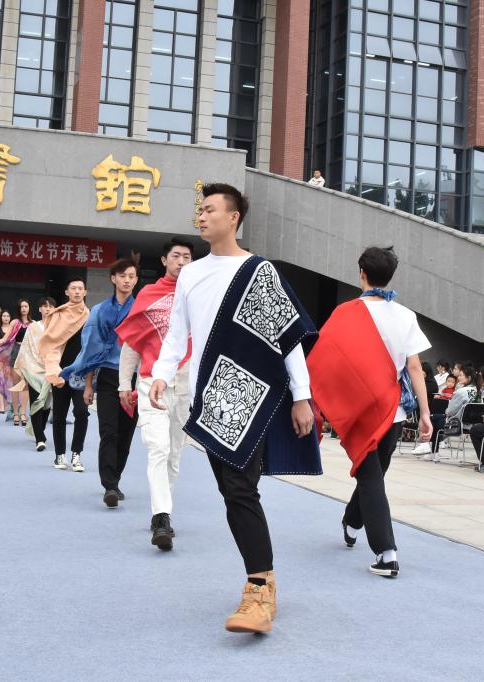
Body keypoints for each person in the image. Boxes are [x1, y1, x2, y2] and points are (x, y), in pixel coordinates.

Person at [151, 183, 320, 635]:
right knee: (232, 491)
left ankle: (259, 589)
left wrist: (302, 396)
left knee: (241, 489)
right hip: (209, 397)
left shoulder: (260, 271)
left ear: (233, 217)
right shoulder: (191, 274)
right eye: (200, 210)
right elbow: (177, 333)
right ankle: (263, 581)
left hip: (249, 392)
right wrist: (162, 373)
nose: (202, 217)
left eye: (210, 210)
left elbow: (287, 339)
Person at [311, 246, 432, 577]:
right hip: (394, 410)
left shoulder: (344, 313)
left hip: (361, 410)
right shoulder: (405, 315)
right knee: (373, 477)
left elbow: (325, 361)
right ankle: (383, 549)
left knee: (372, 476)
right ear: (390, 276)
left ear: (361, 273)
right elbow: (415, 368)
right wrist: (424, 411)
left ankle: (355, 524)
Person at [116, 237, 194, 548]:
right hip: (151, 383)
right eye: (176, 256)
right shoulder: (148, 295)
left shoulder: (198, 296)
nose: (181, 262)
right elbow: (132, 343)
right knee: (158, 448)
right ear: (164, 260)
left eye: (187, 257)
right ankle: (161, 516)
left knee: (174, 454)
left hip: (185, 386)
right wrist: (124, 383)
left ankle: (164, 510)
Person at [64, 259, 139, 506]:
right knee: (108, 431)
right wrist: (89, 384)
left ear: (136, 280)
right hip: (107, 375)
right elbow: (90, 351)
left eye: (131, 276)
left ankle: (115, 478)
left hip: (134, 379)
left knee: (126, 434)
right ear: (113, 279)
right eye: (122, 276)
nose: (127, 280)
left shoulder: (141, 310)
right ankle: (110, 485)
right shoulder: (99, 311)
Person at [38, 278, 90, 471]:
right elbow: (49, 342)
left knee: (82, 412)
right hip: (59, 371)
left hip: (80, 372)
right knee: (59, 414)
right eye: (73, 288)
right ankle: (60, 454)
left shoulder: (90, 316)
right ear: (67, 292)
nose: (77, 291)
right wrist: (52, 368)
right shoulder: (58, 315)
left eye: (80, 289)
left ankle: (77, 454)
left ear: (85, 292)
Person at [13, 297, 56, 452]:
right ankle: (39, 438)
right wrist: (25, 368)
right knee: (36, 401)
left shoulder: (58, 327)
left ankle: (40, 430)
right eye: (44, 306)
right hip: (34, 369)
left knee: (47, 403)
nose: (48, 309)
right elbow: (26, 347)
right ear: (39, 309)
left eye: (51, 306)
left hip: (51, 369)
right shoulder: (33, 327)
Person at [423, 365, 478, 462]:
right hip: (472, 424)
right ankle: (433, 450)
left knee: (433, 417)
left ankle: (431, 449)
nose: (458, 378)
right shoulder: (478, 391)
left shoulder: (460, 392)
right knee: (437, 417)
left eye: (461, 375)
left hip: (456, 423)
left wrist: (446, 413)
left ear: (469, 378)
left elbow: (449, 411)